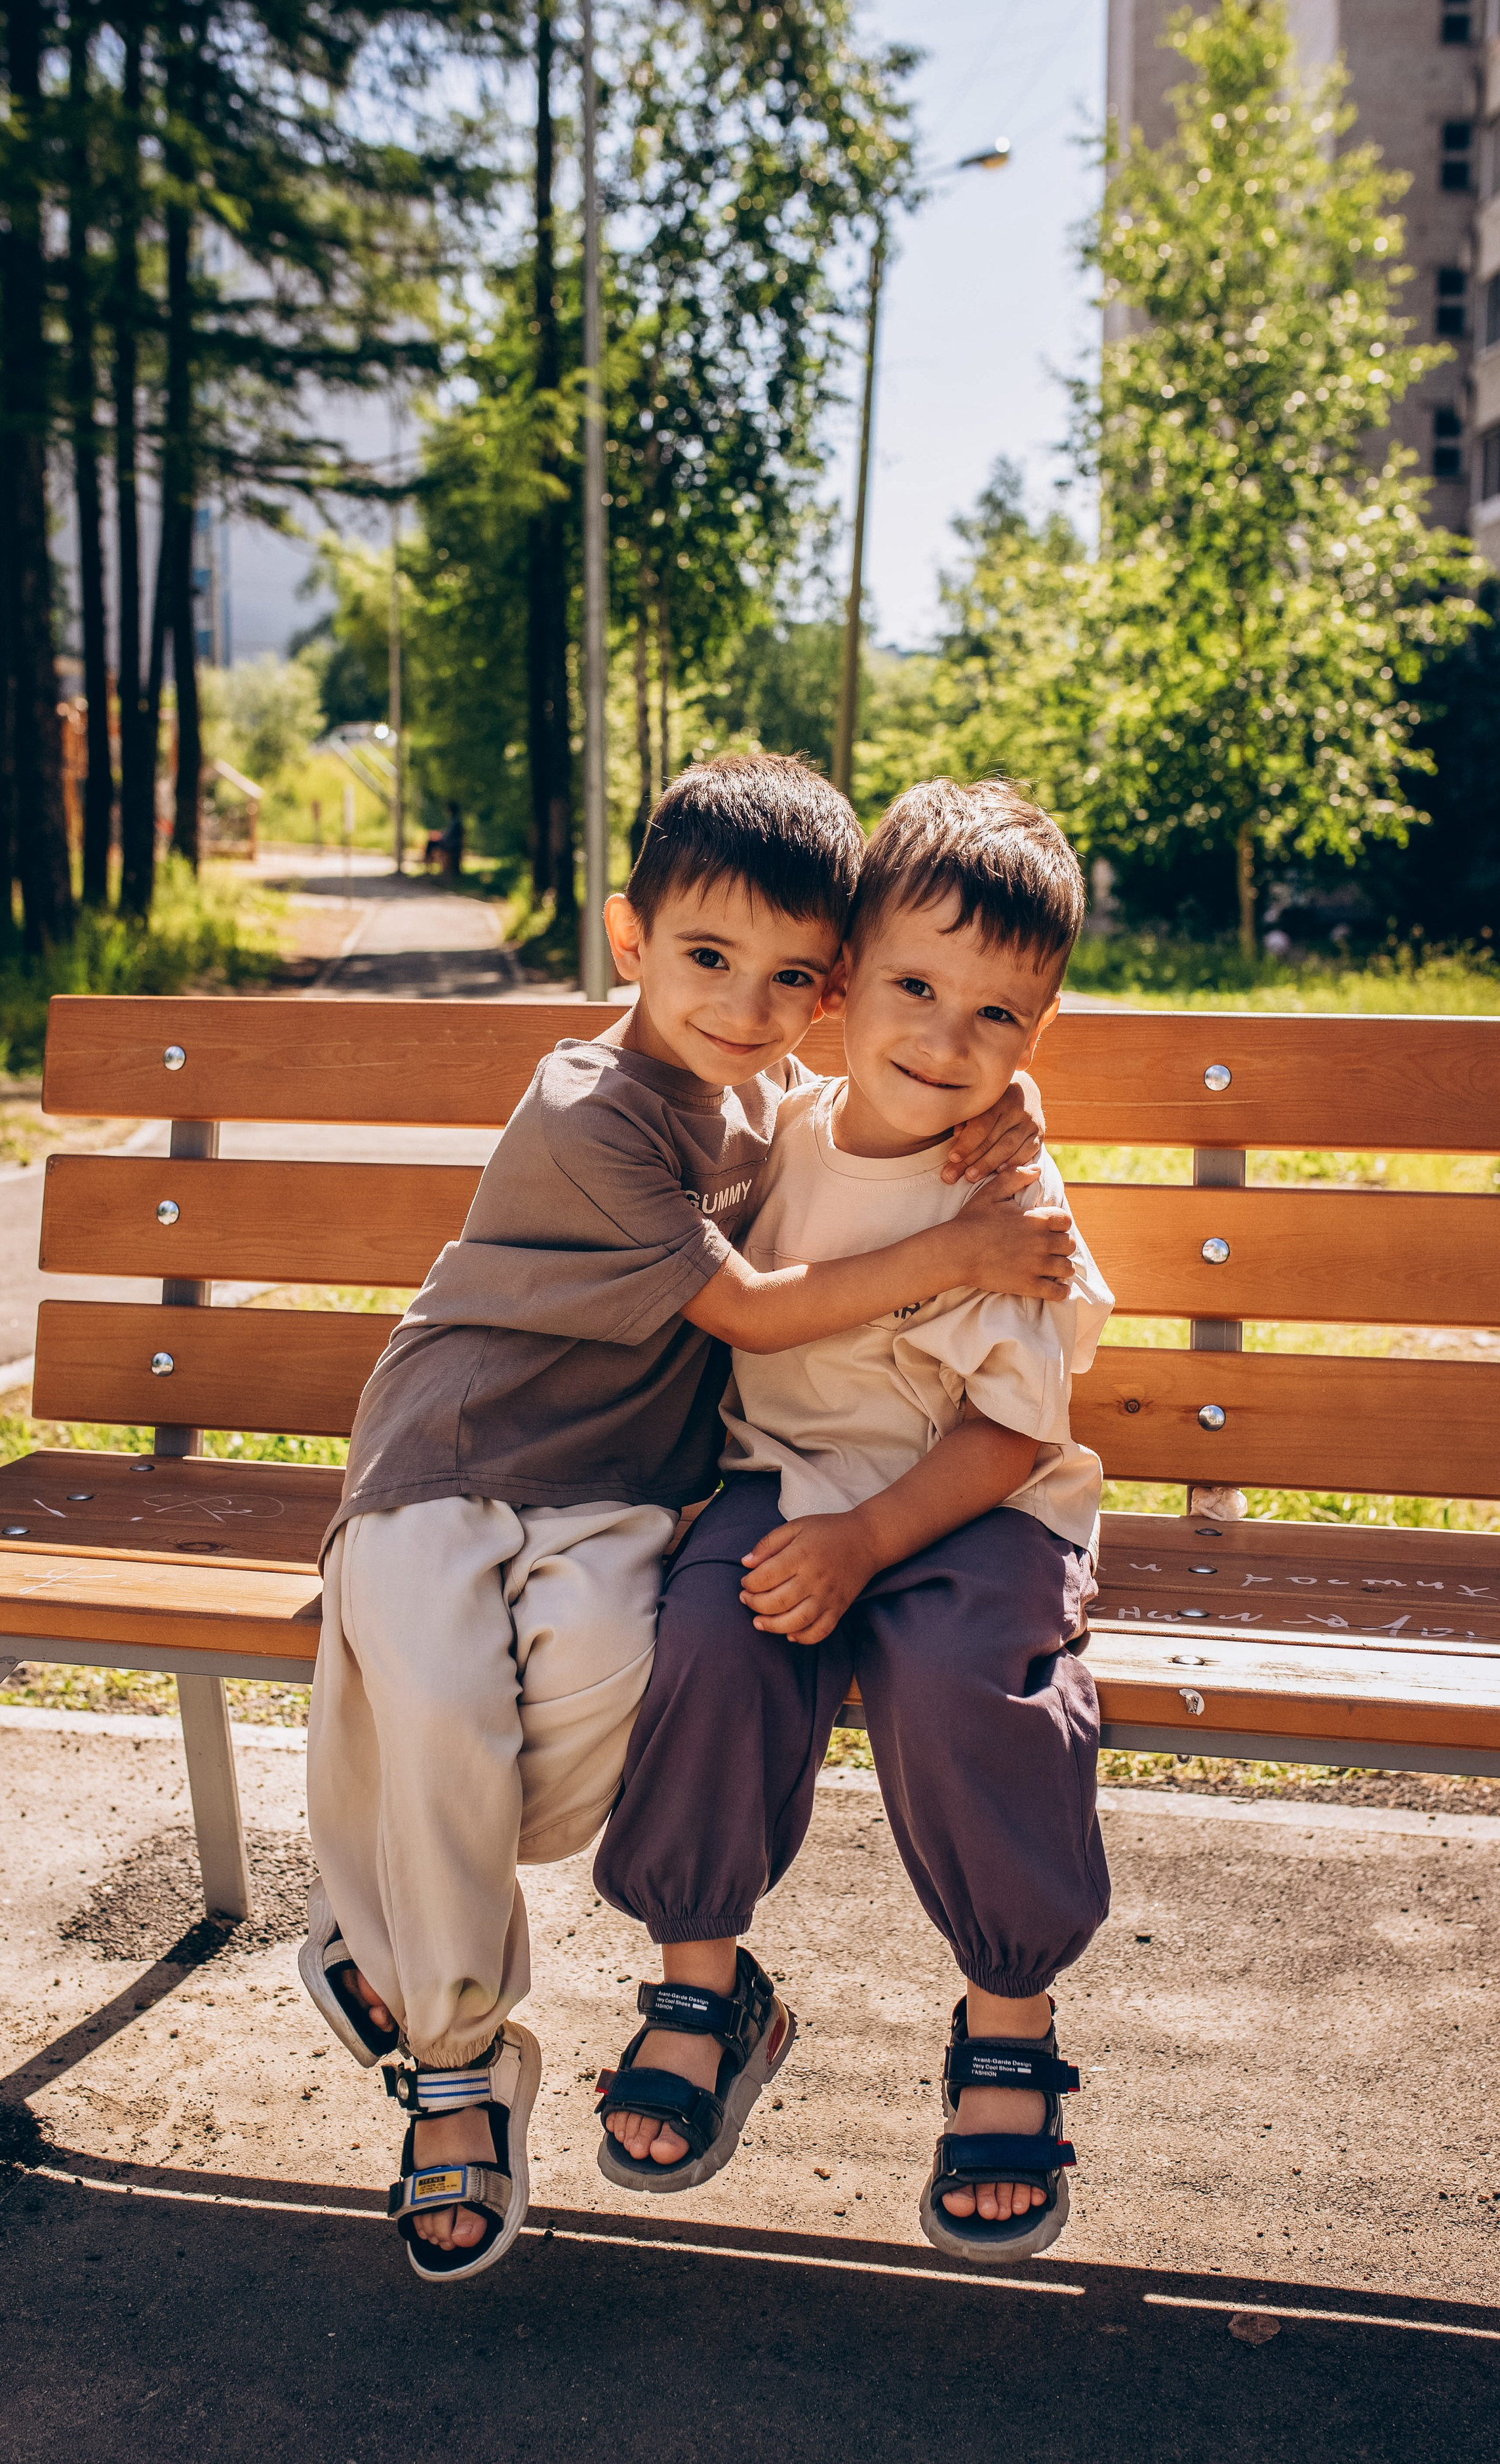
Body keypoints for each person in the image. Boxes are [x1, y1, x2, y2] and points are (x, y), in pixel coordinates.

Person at [299, 753, 1081, 2286]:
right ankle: (460, 2064)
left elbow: (914, 1078)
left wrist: (1004, 1094)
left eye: (789, 975)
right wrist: (963, 1244)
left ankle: (393, 1902)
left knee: (608, 1690)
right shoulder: (593, 1108)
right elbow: (755, 1308)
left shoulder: (778, 1098)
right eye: (707, 958)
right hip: (451, 1456)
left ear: (827, 984)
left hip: (622, 1490)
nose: (741, 1003)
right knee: (451, 1695)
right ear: (628, 938)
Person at [593, 777, 1115, 2267]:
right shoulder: (777, 1134)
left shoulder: (1004, 1193)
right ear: (838, 986)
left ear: (1036, 1035)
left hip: (975, 1501)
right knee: (708, 1632)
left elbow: (1013, 1430)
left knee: (968, 1681)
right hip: (787, 1479)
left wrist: (871, 1543)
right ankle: (705, 1991)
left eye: (997, 1016)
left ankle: (1008, 2018)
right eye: (913, 989)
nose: (946, 1041)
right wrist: (821, 1533)